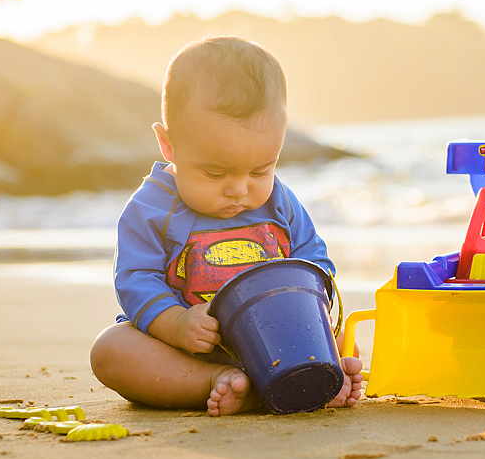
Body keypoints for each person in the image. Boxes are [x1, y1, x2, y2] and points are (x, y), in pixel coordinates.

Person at [90, 36, 363, 415]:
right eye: (215, 172)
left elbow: (312, 259)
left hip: (277, 343)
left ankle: (318, 376)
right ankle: (216, 383)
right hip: (186, 351)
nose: (240, 189)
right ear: (169, 145)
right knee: (111, 350)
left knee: (336, 337)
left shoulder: (278, 200)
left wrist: (317, 318)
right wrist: (176, 323)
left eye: (260, 170)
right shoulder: (151, 208)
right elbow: (135, 279)